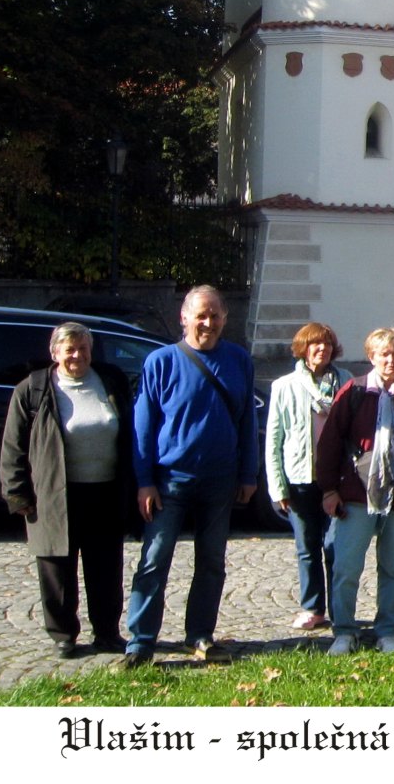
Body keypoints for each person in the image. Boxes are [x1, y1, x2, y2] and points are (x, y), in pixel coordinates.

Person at [121, 285, 259, 668]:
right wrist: (144, 480)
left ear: (225, 320)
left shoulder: (238, 361)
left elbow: (248, 422)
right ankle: (141, 641)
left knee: (212, 561)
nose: (208, 323)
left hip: (221, 480)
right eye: (201, 315)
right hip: (169, 481)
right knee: (154, 560)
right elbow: (143, 428)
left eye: (215, 315)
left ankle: (200, 634)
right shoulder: (161, 362)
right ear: (184, 318)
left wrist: (249, 472)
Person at [0, 321, 135, 657]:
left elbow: (131, 432)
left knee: (106, 568)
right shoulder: (31, 390)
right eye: (70, 349)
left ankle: (107, 632)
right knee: (57, 570)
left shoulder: (111, 381)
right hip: (54, 493)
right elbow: (13, 448)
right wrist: (17, 493)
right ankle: (63, 635)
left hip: (104, 491)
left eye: (84, 348)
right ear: (55, 353)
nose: (77, 355)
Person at [317, 328, 394, 655]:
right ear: (372, 357)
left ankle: (388, 629)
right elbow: (329, 443)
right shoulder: (354, 392)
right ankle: (344, 630)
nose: (390, 360)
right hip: (357, 495)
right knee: (346, 567)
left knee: (393, 568)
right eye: (383, 354)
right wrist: (329, 490)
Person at [265, 321, 350, 632]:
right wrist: (277, 486)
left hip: (337, 481)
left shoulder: (347, 383)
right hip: (300, 479)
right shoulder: (284, 387)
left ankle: (341, 608)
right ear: (303, 348)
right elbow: (273, 440)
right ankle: (313, 608)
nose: (321, 349)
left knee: (335, 546)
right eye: (315, 344)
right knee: (308, 546)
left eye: (327, 344)